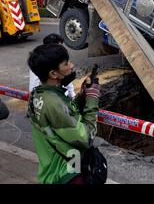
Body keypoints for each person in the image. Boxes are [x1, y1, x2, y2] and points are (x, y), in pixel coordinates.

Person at [27, 43, 100, 184]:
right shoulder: (54, 103)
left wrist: (83, 95)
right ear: (53, 74)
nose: (71, 66)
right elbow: (85, 138)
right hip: (65, 174)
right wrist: (92, 99)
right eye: (66, 64)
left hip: (49, 169)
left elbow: (65, 117)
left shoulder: (38, 94)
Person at [29, 33, 76, 99]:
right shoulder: (40, 63)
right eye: (58, 48)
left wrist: (73, 95)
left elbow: (67, 80)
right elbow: (33, 88)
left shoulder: (60, 60)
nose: (71, 66)